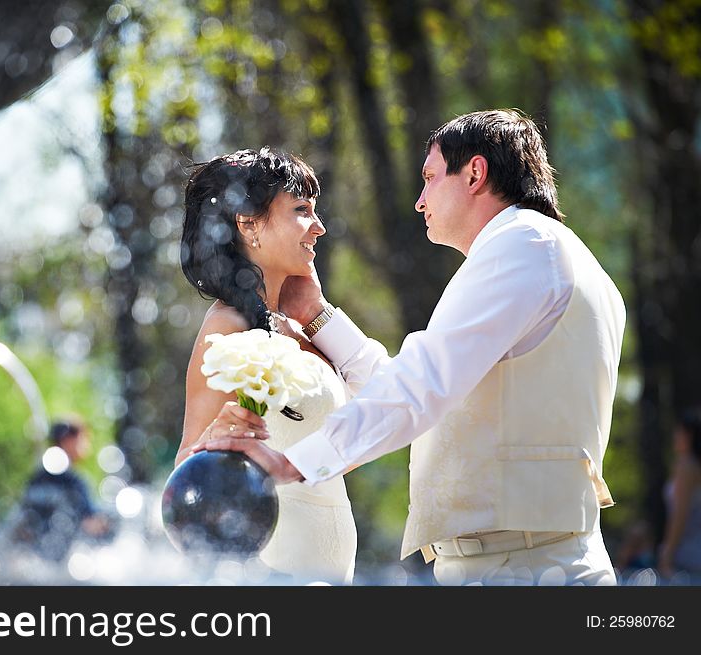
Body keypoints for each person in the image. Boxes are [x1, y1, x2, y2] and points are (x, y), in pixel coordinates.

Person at [198, 109, 627, 586]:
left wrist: (291, 463)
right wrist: (320, 315)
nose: (420, 201)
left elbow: (421, 386)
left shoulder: (521, 246)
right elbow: (422, 391)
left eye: (429, 178)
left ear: (475, 174)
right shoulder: (557, 254)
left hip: (522, 569)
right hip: (526, 561)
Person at [177, 147, 358, 583]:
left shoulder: (301, 327)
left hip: (334, 564)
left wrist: (318, 313)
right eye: (301, 210)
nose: (319, 227)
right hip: (278, 567)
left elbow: (370, 425)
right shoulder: (227, 325)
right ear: (249, 224)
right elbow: (187, 467)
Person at [10, 417, 112, 563]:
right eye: (83, 440)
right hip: (63, 565)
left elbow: (23, 523)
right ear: (68, 441)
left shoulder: (36, 478)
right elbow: (89, 523)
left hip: (35, 560)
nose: (87, 446)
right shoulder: (74, 481)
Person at [657, 407, 701, 583]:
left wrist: (667, 551)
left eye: (679, 432)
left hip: (688, 550)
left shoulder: (687, 466)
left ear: (689, 435)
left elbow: (680, 515)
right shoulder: (689, 465)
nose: (675, 436)